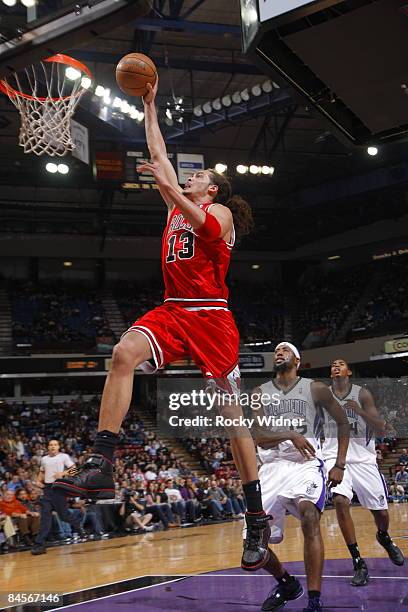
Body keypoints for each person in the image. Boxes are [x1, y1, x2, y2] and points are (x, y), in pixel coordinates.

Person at [53, 77, 271, 570]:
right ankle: (101, 462)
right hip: (173, 308)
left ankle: (255, 513)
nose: (190, 178)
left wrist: (169, 184)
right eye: (187, 178)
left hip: (211, 315)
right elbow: (160, 154)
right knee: (122, 353)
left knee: (229, 417)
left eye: (201, 177)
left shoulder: (219, 214)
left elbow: (187, 202)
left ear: (211, 188)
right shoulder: (175, 204)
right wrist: (149, 107)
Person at [251, 342, 350, 612]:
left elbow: (343, 422)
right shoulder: (260, 393)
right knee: (254, 548)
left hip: (304, 464)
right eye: (276, 351)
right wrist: (290, 434)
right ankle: (286, 583)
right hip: (270, 469)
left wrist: (339, 463)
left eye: (285, 350)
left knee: (309, 515)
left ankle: (314, 600)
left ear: (296, 359)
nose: (279, 352)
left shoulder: (314, 388)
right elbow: (258, 436)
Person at [322, 359, 404, 587]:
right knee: (339, 501)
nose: (336, 366)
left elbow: (380, 427)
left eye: (341, 364)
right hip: (335, 459)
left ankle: (384, 537)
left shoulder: (362, 394)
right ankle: (358, 561)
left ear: (348, 371)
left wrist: (358, 411)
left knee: (382, 514)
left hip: (364, 461)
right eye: (333, 365)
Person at [31, 440, 86, 555]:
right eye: (50, 445)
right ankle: (39, 545)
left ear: (58, 447)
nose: (52, 446)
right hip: (47, 490)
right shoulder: (44, 459)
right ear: (48, 447)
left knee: (64, 516)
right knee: (45, 518)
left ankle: (78, 526)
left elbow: (75, 470)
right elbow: (42, 472)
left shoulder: (63, 456)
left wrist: (63, 474)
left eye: (55, 445)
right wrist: (38, 480)